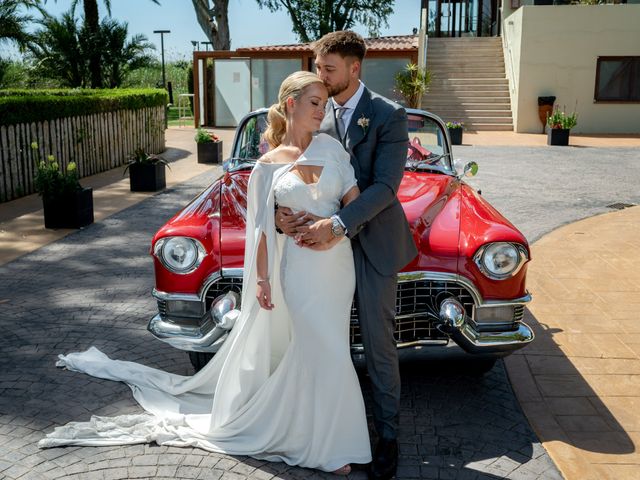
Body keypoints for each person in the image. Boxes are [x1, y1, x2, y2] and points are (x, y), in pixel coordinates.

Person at [38, 71, 372, 475]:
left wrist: (334, 228)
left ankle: (321, 435)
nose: (322, 110)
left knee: (330, 348)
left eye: (324, 103)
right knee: (321, 349)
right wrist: (263, 279)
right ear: (291, 105)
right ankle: (329, 448)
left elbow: (354, 203)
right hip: (299, 270)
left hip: (337, 267)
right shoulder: (266, 166)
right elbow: (262, 231)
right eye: (315, 102)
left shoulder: (333, 149)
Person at [276, 31, 418, 480]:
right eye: (318, 67)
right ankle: (324, 430)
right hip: (318, 255)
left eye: (328, 68)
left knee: (378, 343)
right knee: (323, 340)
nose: (321, 76)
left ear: (354, 69)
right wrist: (279, 215)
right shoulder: (317, 110)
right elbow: (288, 165)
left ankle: (388, 437)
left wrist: (337, 224)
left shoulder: (388, 115)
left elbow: (384, 187)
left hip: (370, 242)